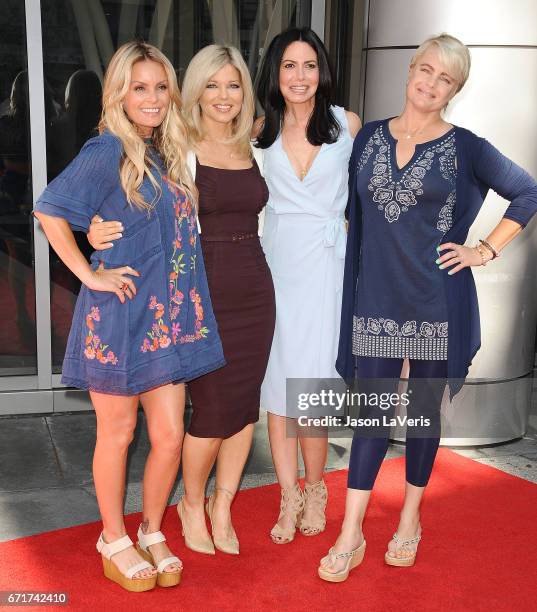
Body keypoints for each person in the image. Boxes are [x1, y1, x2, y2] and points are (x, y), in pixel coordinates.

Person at [320, 33, 537, 582]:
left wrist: (484, 248)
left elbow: (528, 192)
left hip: (435, 303)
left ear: (455, 90)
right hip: (375, 301)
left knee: (419, 417)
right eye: (427, 70)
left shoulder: (466, 146)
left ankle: (410, 520)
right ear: (410, 69)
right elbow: (350, 212)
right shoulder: (367, 138)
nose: (432, 84)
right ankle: (351, 531)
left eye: (447, 79)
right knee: (370, 418)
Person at [33, 41, 225, 592]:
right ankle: (113, 536)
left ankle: (151, 527)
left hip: (165, 321)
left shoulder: (163, 150)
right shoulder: (107, 148)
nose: (153, 98)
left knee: (167, 436)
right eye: (139, 87)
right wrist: (88, 272)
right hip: (118, 316)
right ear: (119, 92)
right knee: (116, 434)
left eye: (161, 87)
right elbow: (49, 210)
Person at [87, 44, 275, 556]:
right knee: (211, 410)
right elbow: (121, 197)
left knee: (243, 407)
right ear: (192, 91)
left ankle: (223, 504)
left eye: (233, 85)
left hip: (254, 288)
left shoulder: (253, 148)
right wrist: (95, 230)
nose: (223, 95)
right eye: (211, 85)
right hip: (194, 292)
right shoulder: (175, 146)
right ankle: (191, 503)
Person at [254, 27, 361, 544]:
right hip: (274, 266)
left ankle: (317, 490)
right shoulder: (257, 131)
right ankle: (287, 495)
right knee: (278, 389)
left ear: (323, 70)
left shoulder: (347, 125)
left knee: (314, 385)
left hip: (326, 267)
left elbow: (369, 200)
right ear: (275, 72)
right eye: (290, 66)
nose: (300, 76)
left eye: (310, 65)